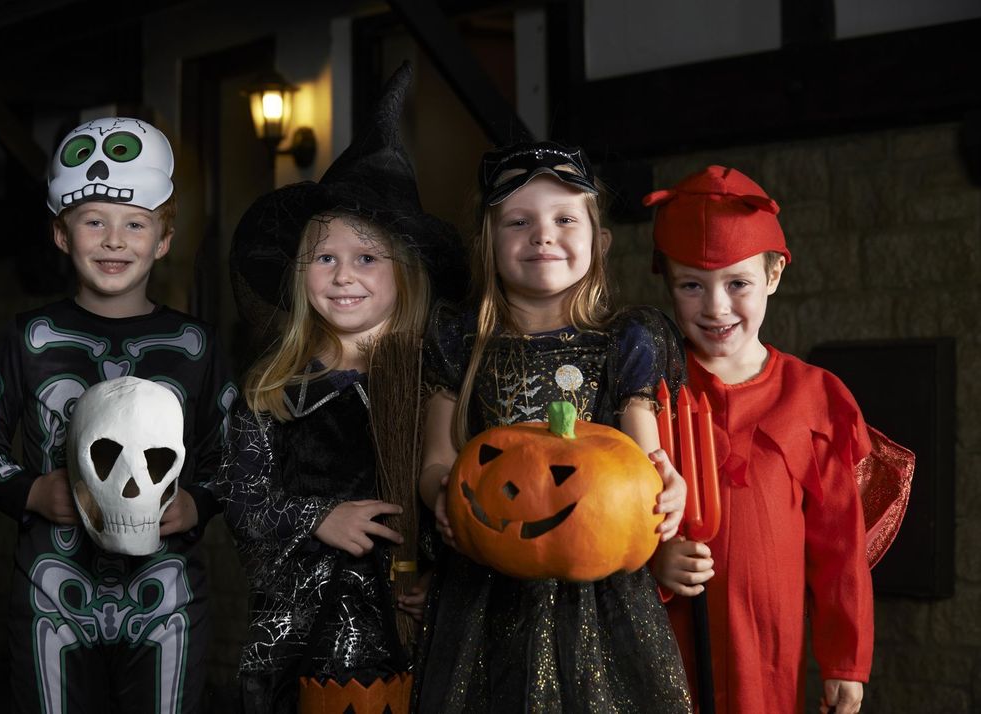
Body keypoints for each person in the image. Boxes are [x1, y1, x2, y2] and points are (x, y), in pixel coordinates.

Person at [0, 116, 236, 713]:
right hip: (52, 594)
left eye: (136, 224)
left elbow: (234, 452)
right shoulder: (29, 337)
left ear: (163, 239)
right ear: (62, 234)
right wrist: (31, 492)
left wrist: (198, 501)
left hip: (167, 598)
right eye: (94, 222)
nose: (115, 240)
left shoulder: (197, 345)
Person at [213, 62, 465, 713]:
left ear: (404, 276)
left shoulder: (430, 388)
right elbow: (243, 506)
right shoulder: (272, 393)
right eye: (325, 257)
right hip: (303, 637)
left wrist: (435, 571)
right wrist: (321, 517)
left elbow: (464, 494)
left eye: (366, 258)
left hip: (410, 631)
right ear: (301, 275)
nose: (343, 275)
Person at [412, 140, 693, 713]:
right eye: (518, 222)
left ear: (599, 240)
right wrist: (441, 493)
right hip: (486, 589)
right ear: (488, 243)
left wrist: (668, 481)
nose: (543, 235)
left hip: (603, 593)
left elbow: (646, 460)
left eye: (564, 219)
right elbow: (437, 455)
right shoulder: (462, 339)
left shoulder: (626, 338)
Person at [645, 165, 913, 714]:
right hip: (665, 639)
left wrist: (845, 661)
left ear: (773, 275)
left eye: (737, 283)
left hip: (770, 642)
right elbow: (606, 510)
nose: (716, 307)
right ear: (668, 283)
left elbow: (840, 548)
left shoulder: (814, 397)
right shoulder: (647, 395)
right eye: (691, 284)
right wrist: (654, 560)